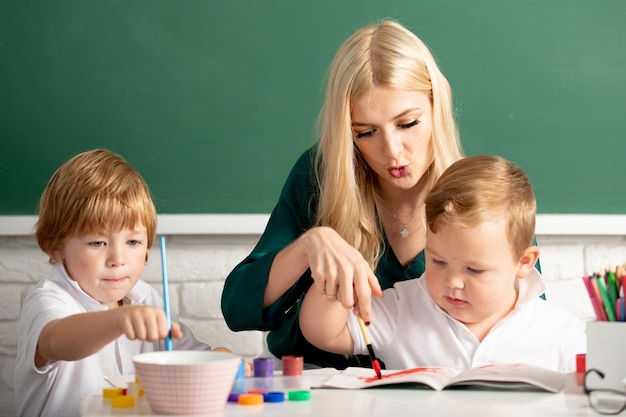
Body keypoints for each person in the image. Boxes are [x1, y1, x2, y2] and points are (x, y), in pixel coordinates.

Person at [221, 19, 473, 369]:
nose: (392, 151)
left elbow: (527, 316)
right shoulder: (318, 174)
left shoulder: (483, 193)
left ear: (437, 107)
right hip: (314, 382)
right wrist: (310, 245)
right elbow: (237, 308)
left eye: (408, 124)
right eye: (366, 132)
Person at [300, 155, 585, 372]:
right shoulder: (404, 307)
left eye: (473, 269)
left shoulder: (561, 334)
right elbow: (324, 333)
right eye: (437, 261)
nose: (453, 281)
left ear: (524, 262)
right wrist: (336, 273)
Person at [15, 149, 236, 417]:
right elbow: (55, 341)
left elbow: (187, 360)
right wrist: (120, 319)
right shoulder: (50, 299)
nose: (118, 259)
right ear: (55, 247)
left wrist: (220, 360)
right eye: (98, 243)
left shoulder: (146, 299)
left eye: (132, 242)